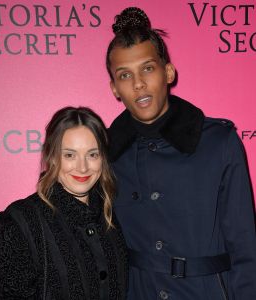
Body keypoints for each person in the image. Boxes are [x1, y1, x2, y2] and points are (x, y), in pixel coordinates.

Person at [106, 7, 256, 300]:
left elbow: (245, 247)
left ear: (169, 72)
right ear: (114, 88)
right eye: (125, 75)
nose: (138, 83)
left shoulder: (220, 143)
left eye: (147, 68)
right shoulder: (108, 153)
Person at [0, 107, 128, 299]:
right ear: (52, 157)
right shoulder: (18, 224)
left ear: (103, 159)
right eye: (69, 155)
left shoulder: (112, 216)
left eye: (92, 154)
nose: (82, 167)